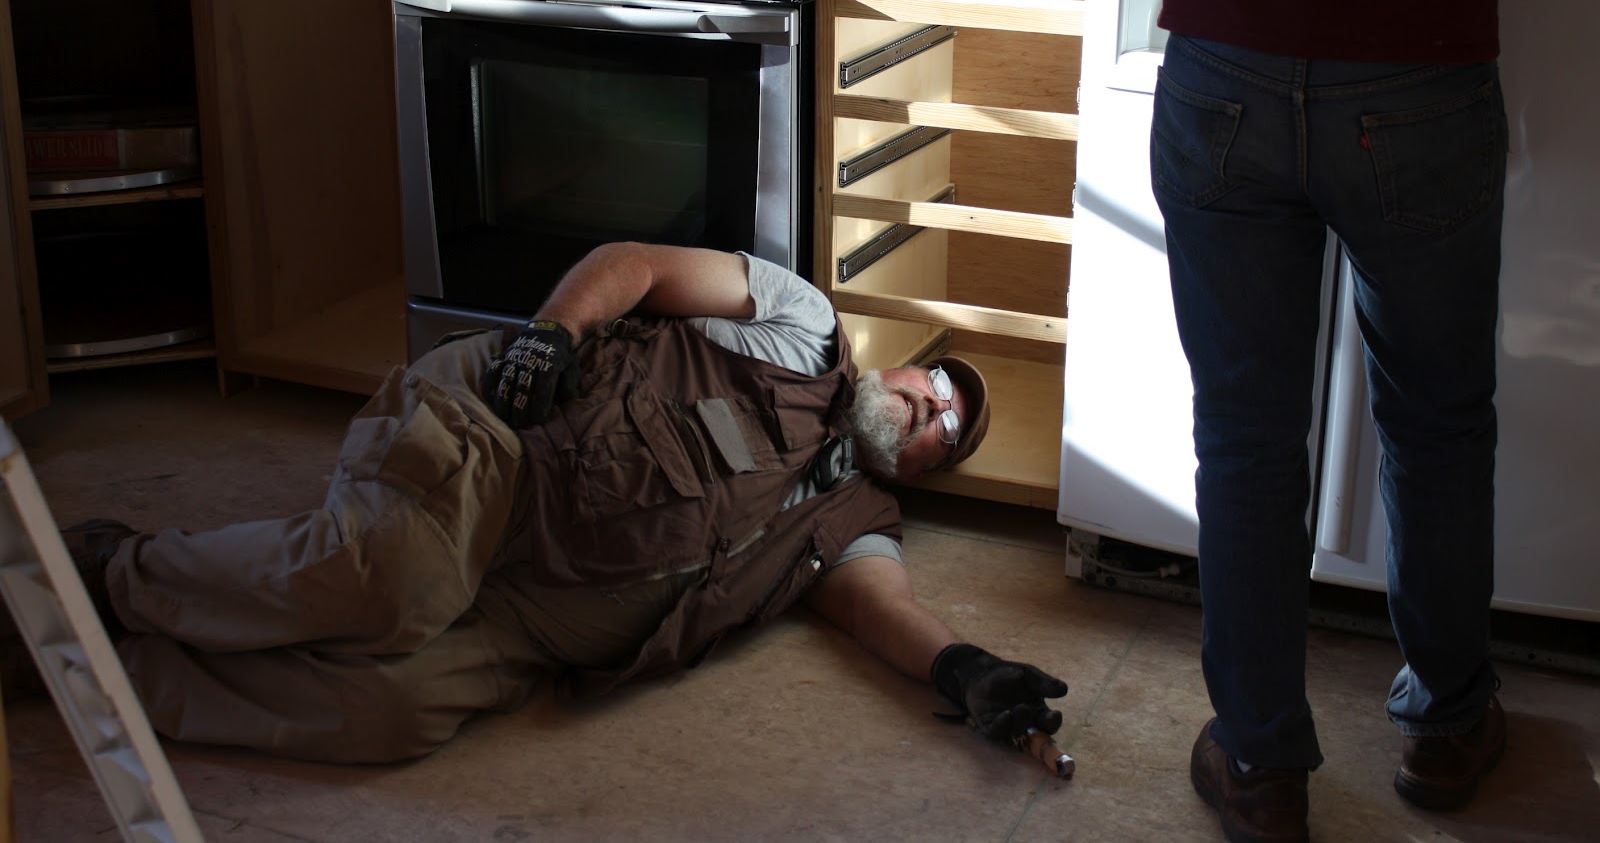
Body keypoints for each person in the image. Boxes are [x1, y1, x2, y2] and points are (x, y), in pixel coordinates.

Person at [12, 242, 1067, 766]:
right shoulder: (804, 328)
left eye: (946, 432)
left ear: (919, 470)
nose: (929, 411)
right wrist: (549, 337)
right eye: (936, 385)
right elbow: (634, 264)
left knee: (390, 715)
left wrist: (966, 671)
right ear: (902, 367)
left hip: (534, 624)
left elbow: (882, 611)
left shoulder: (854, 526)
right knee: (393, 583)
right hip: (501, 453)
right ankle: (104, 573)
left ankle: (82, 667)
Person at [1150, 0, 1510, 842]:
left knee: (1246, 435)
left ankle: (1259, 761)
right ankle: (1448, 724)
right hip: (1419, 69)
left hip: (1225, 60)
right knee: (1438, 421)